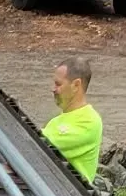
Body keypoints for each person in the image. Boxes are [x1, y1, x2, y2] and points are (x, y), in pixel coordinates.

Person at [42, 56, 103, 185]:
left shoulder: (89, 122)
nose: (53, 89)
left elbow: (38, 145)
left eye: (58, 84)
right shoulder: (55, 121)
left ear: (76, 85)